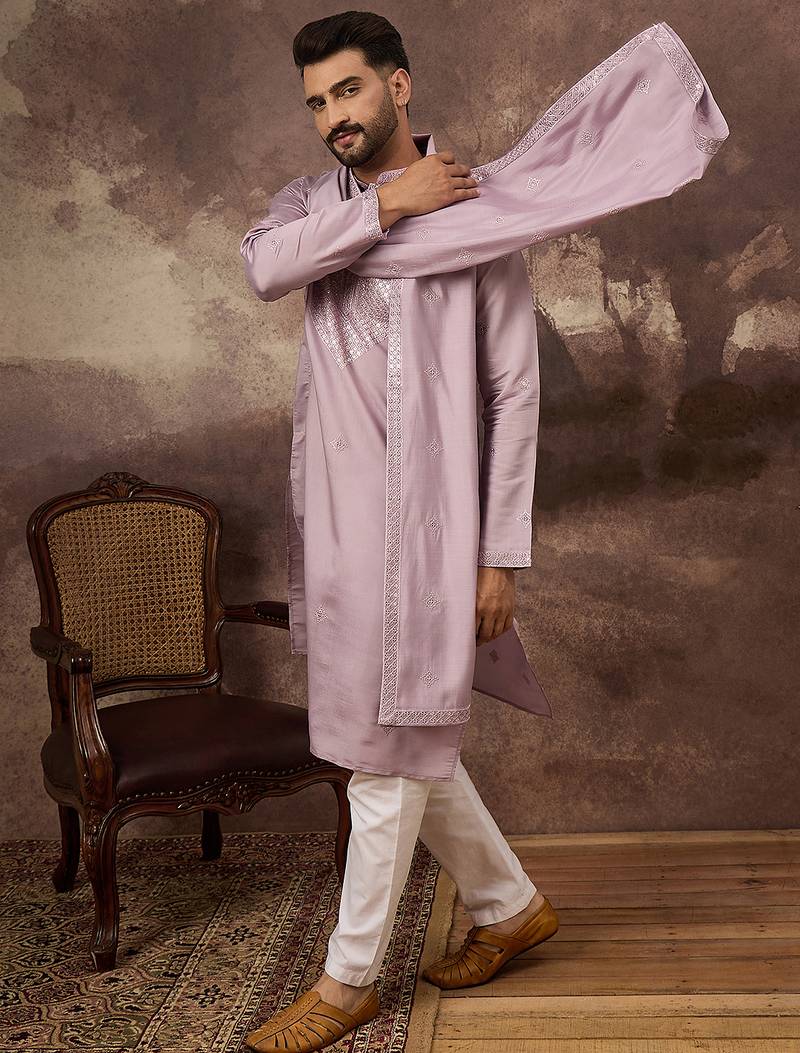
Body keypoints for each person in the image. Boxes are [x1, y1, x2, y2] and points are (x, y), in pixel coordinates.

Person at [238, 11, 728, 1050]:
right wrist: (386, 204)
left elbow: (513, 395)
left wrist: (500, 555)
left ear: (398, 86)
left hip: (428, 534)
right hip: (335, 533)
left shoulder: (480, 218)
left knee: (385, 754)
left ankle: (346, 980)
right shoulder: (307, 208)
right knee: (395, 734)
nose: (332, 116)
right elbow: (264, 268)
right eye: (317, 101)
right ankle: (510, 909)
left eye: (349, 90)